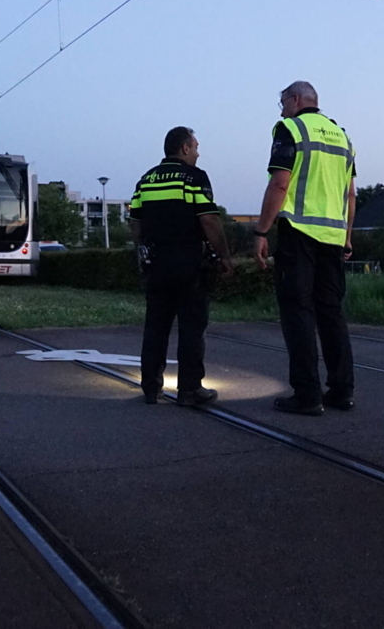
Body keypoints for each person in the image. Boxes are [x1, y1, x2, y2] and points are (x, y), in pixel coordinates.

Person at [253, 81, 357, 416]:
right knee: (331, 313)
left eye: (282, 101)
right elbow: (350, 194)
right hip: (333, 238)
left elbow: (280, 182)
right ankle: (341, 391)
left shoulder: (290, 128)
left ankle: (307, 395)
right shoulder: (342, 137)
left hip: (298, 233)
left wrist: (261, 231)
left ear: (296, 100)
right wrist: (347, 236)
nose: (281, 108)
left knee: (298, 311)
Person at [130, 126, 233, 406]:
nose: (198, 153)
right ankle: (189, 389)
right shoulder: (194, 178)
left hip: (156, 263)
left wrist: (142, 251)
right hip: (189, 262)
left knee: (155, 326)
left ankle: (151, 387)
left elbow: (135, 221)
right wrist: (224, 255)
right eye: (196, 147)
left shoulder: (146, 180)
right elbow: (209, 220)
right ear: (185, 148)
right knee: (191, 326)